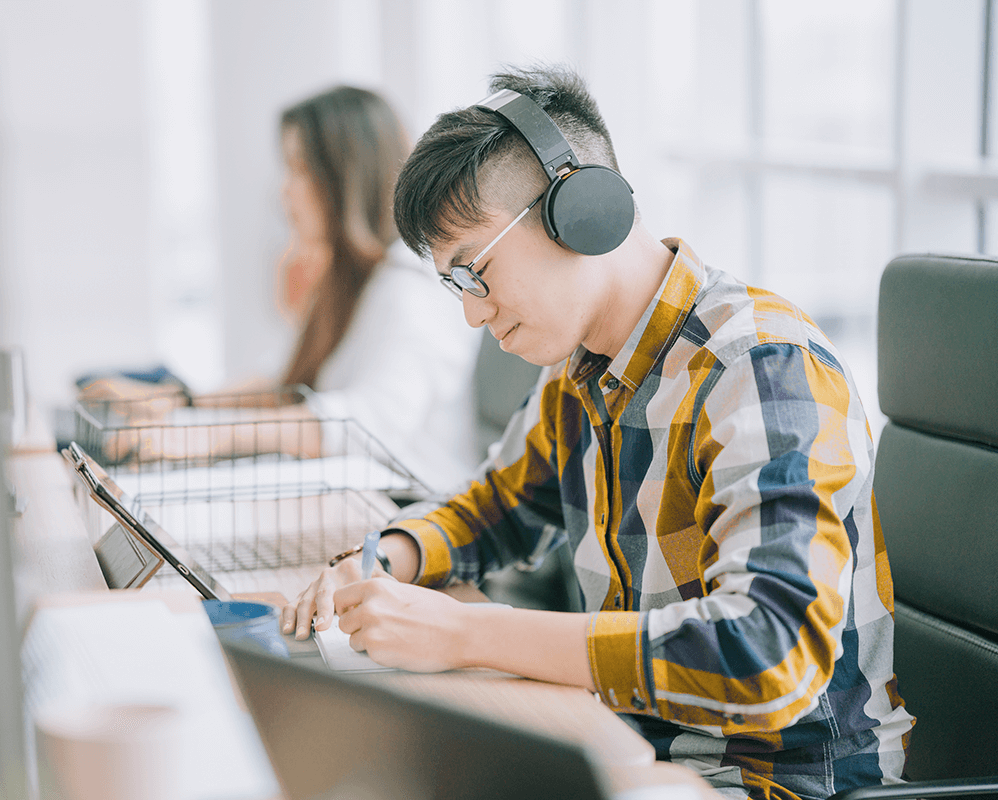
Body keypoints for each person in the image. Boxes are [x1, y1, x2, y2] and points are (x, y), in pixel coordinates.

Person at [281, 66, 914, 799]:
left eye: (475, 272)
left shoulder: (763, 369)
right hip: (632, 749)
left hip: (778, 782)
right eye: (455, 287)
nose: (473, 316)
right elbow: (493, 509)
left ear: (583, 210)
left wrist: (465, 633)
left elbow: (767, 653)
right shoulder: (580, 373)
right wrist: (390, 556)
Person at [81, 86, 480, 492]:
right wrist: (180, 403)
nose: (285, 190)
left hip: (414, 511)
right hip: (355, 500)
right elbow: (280, 380)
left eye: (301, 169)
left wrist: (205, 435)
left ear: (347, 175)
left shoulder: (412, 287)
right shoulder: (349, 280)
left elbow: (370, 423)